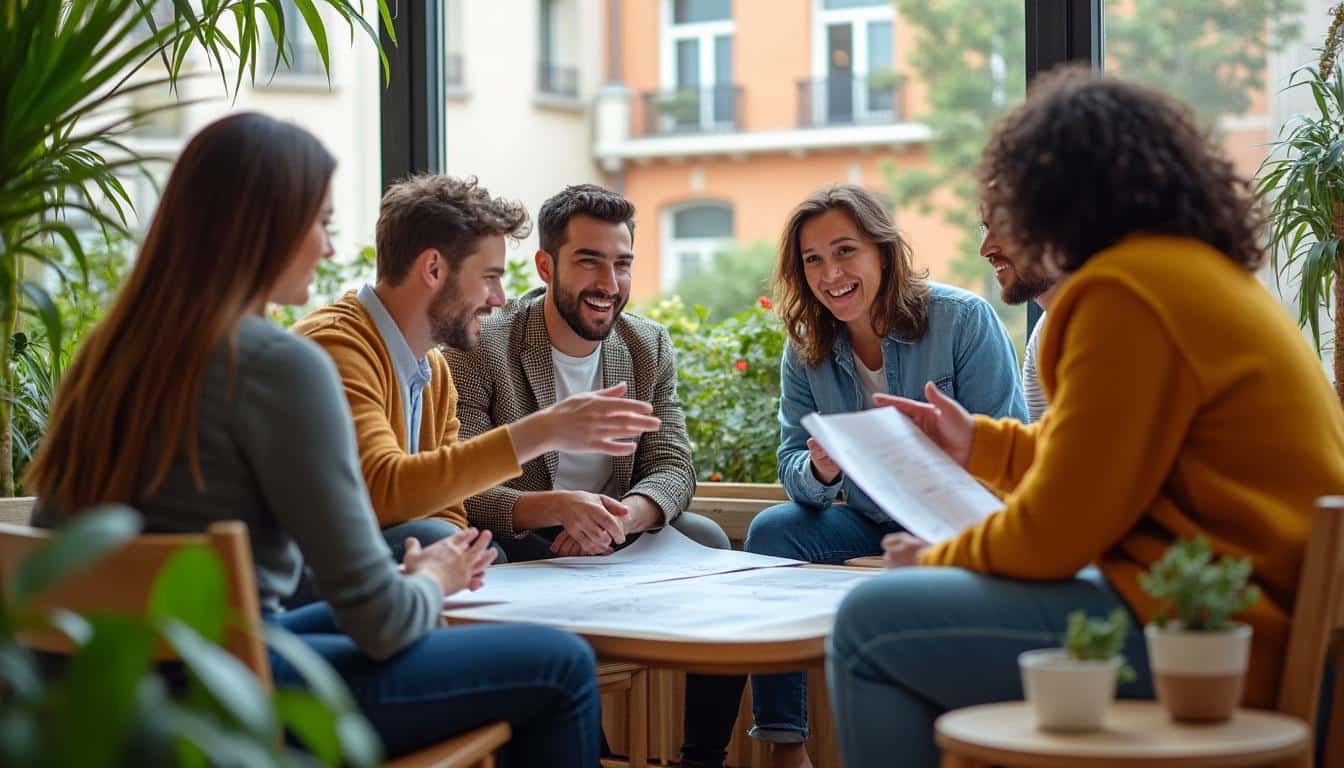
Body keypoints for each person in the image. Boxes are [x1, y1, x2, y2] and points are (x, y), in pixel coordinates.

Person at [26, 114, 603, 766]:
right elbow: (380, 623)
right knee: (561, 664)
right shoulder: (278, 363)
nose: (330, 248)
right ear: (264, 229)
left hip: (97, 684)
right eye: (321, 223)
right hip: (220, 695)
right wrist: (431, 582)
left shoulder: (106, 350)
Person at [827, 67, 1344, 768]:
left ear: (1059, 200)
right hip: (1233, 628)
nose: (987, 246)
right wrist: (979, 442)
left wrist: (935, 558)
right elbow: (1105, 461)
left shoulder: (1122, 295)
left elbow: (1052, 537)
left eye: (1001, 215)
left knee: (869, 624)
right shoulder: (1184, 275)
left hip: (1210, 648)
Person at [726, 184, 1027, 768]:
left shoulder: (963, 319)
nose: (829, 273)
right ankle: (787, 745)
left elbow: (1007, 453)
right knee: (772, 530)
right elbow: (792, 467)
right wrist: (818, 467)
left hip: (954, 523)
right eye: (812, 260)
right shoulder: (806, 348)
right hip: (867, 520)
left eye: (845, 252)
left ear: (883, 254)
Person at [443, 183, 740, 765]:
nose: (609, 283)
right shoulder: (485, 345)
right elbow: (464, 482)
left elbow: (674, 462)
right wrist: (557, 509)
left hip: (614, 539)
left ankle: (702, 758)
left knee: (707, 538)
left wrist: (622, 517)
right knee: (490, 565)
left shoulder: (647, 343)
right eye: (589, 262)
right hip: (527, 540)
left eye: (622, 263)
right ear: (546, 266)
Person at [292, 175, 661, 562]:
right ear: (433, 268)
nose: (499, 299)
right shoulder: (335, 345)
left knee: (468, 548)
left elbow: (450, 507)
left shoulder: (432, 367)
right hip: (308, 569)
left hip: (388, 566)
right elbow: (382, 489)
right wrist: (544, 431)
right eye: (489, 277)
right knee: (444, 540)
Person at [980, 205, 1060, 421]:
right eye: (985, 229)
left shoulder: (1113, 316)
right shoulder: (1043, 336)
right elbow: (1042, 445)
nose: (985, 249)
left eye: (1003, 228)